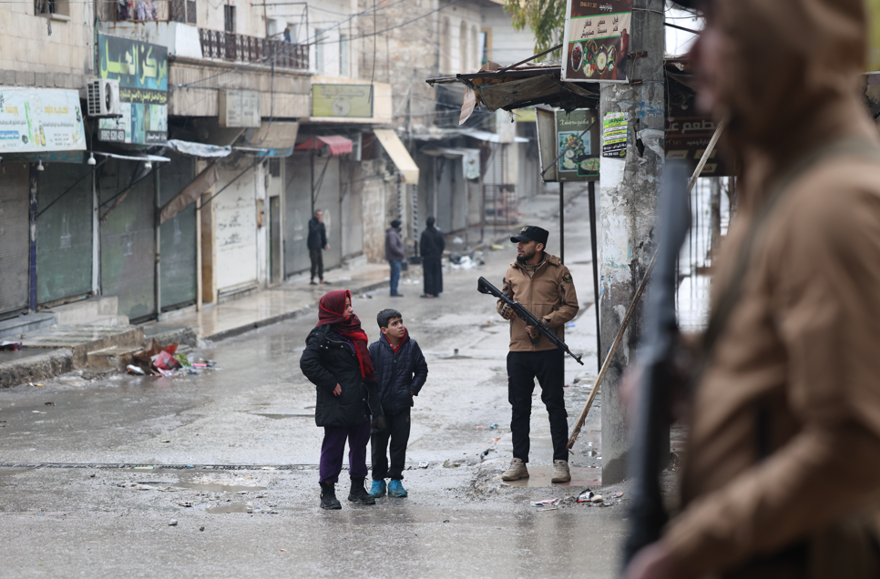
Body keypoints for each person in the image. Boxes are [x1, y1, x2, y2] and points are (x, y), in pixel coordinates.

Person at [623, 1, 880, 578]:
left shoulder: (832, 204)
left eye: (718, 28)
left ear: (776, 38)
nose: (691, 53)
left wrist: (690, 549)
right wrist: (703, 377)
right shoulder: (787, 189)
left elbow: (858, 443)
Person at [496, 225, 579, 484]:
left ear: (539, 246)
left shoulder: (559, 272)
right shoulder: (512, 270)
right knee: (519, 409)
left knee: (555, 406)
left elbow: (571, 307)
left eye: (524, 242)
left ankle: (560, 463)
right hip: (519, 350)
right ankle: (519, 462)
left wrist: (545, 322)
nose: (518, 247)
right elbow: (501, 300)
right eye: (517, 243)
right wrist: (505, 310)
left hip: (549, 350)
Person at [300, 290, 385, 510]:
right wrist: (330, 382)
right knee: (333, 447)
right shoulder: (322, 335)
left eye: (350, 305)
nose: (351, 309)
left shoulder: (352, 328)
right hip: (337, 402)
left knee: (359, 446)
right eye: (346, 306)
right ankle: (327, 492)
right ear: (334, 308)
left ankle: (357, 489)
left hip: (360, 399)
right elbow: (308, 363)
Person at [367, 309, 428, 498]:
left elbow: (422, 370)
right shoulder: (375, 349)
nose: (401, 326)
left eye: (401, 321)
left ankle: (395, 480)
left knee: (399, 444)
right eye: (395, 323)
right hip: (380, 408)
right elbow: (369, 378)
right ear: (384, 330)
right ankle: (377, 481)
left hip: (402, 406)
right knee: (378, 446)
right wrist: (373, 403)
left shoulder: (411, 346)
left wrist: (411, 390)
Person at [419, 216, 445, 298]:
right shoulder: (438, 233)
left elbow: (422, 246)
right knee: (437, 273)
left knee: (428, 274)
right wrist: (440, 252)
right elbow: (442, 244)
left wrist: (422, 255)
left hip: (428, 257)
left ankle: (429, 292)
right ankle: (436, 291)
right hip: (437, 256)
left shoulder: (425, 234)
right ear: (434, 224)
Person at [307, 210, 331, 286]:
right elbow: (312, 231)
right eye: (318, 215)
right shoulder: (312, 222)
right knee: (314, 262)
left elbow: (323, 234)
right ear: (315, 215)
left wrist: (325, 243)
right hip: (312, 246)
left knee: (320, 263)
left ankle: (321, 278)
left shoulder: (322, 224)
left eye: (321, 215)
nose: (319, 216)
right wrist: (319, 224)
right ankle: (312, 279)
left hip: (319, 246)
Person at [385, 219, 405, 297]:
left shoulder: (393, 233)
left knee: (395, 274)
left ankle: (394, 290)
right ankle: (393, 291)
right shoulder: (392, 234)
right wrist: (400, 253)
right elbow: (393, 246)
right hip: (394, 258)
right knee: (395, 275)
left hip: (395, 258)